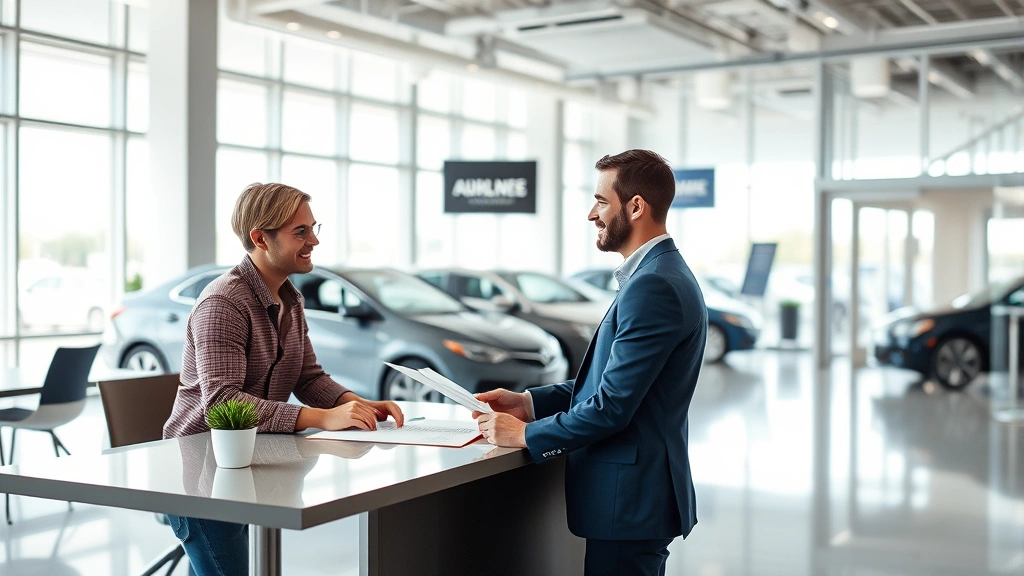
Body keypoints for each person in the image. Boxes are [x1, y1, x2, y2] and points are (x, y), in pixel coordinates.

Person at [474, 150, 706, 576]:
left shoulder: (652, 285)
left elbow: (612, 407)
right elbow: (611, 385)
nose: (590, 214)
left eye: (601, 201)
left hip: (630, 500)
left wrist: (527, 434)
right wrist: (528, 403)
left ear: (636, 206)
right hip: (638, 498)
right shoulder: (658, 274)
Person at [163, 182, 404, 576]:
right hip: (202, 474)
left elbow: (308, 377)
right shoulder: (223, 302)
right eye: (300, 232)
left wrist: (352, 403)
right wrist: (323, 418)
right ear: (260, 238)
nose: (314, 241)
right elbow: (224, 405)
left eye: (313, 228)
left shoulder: (291, 299)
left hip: (249, 464)